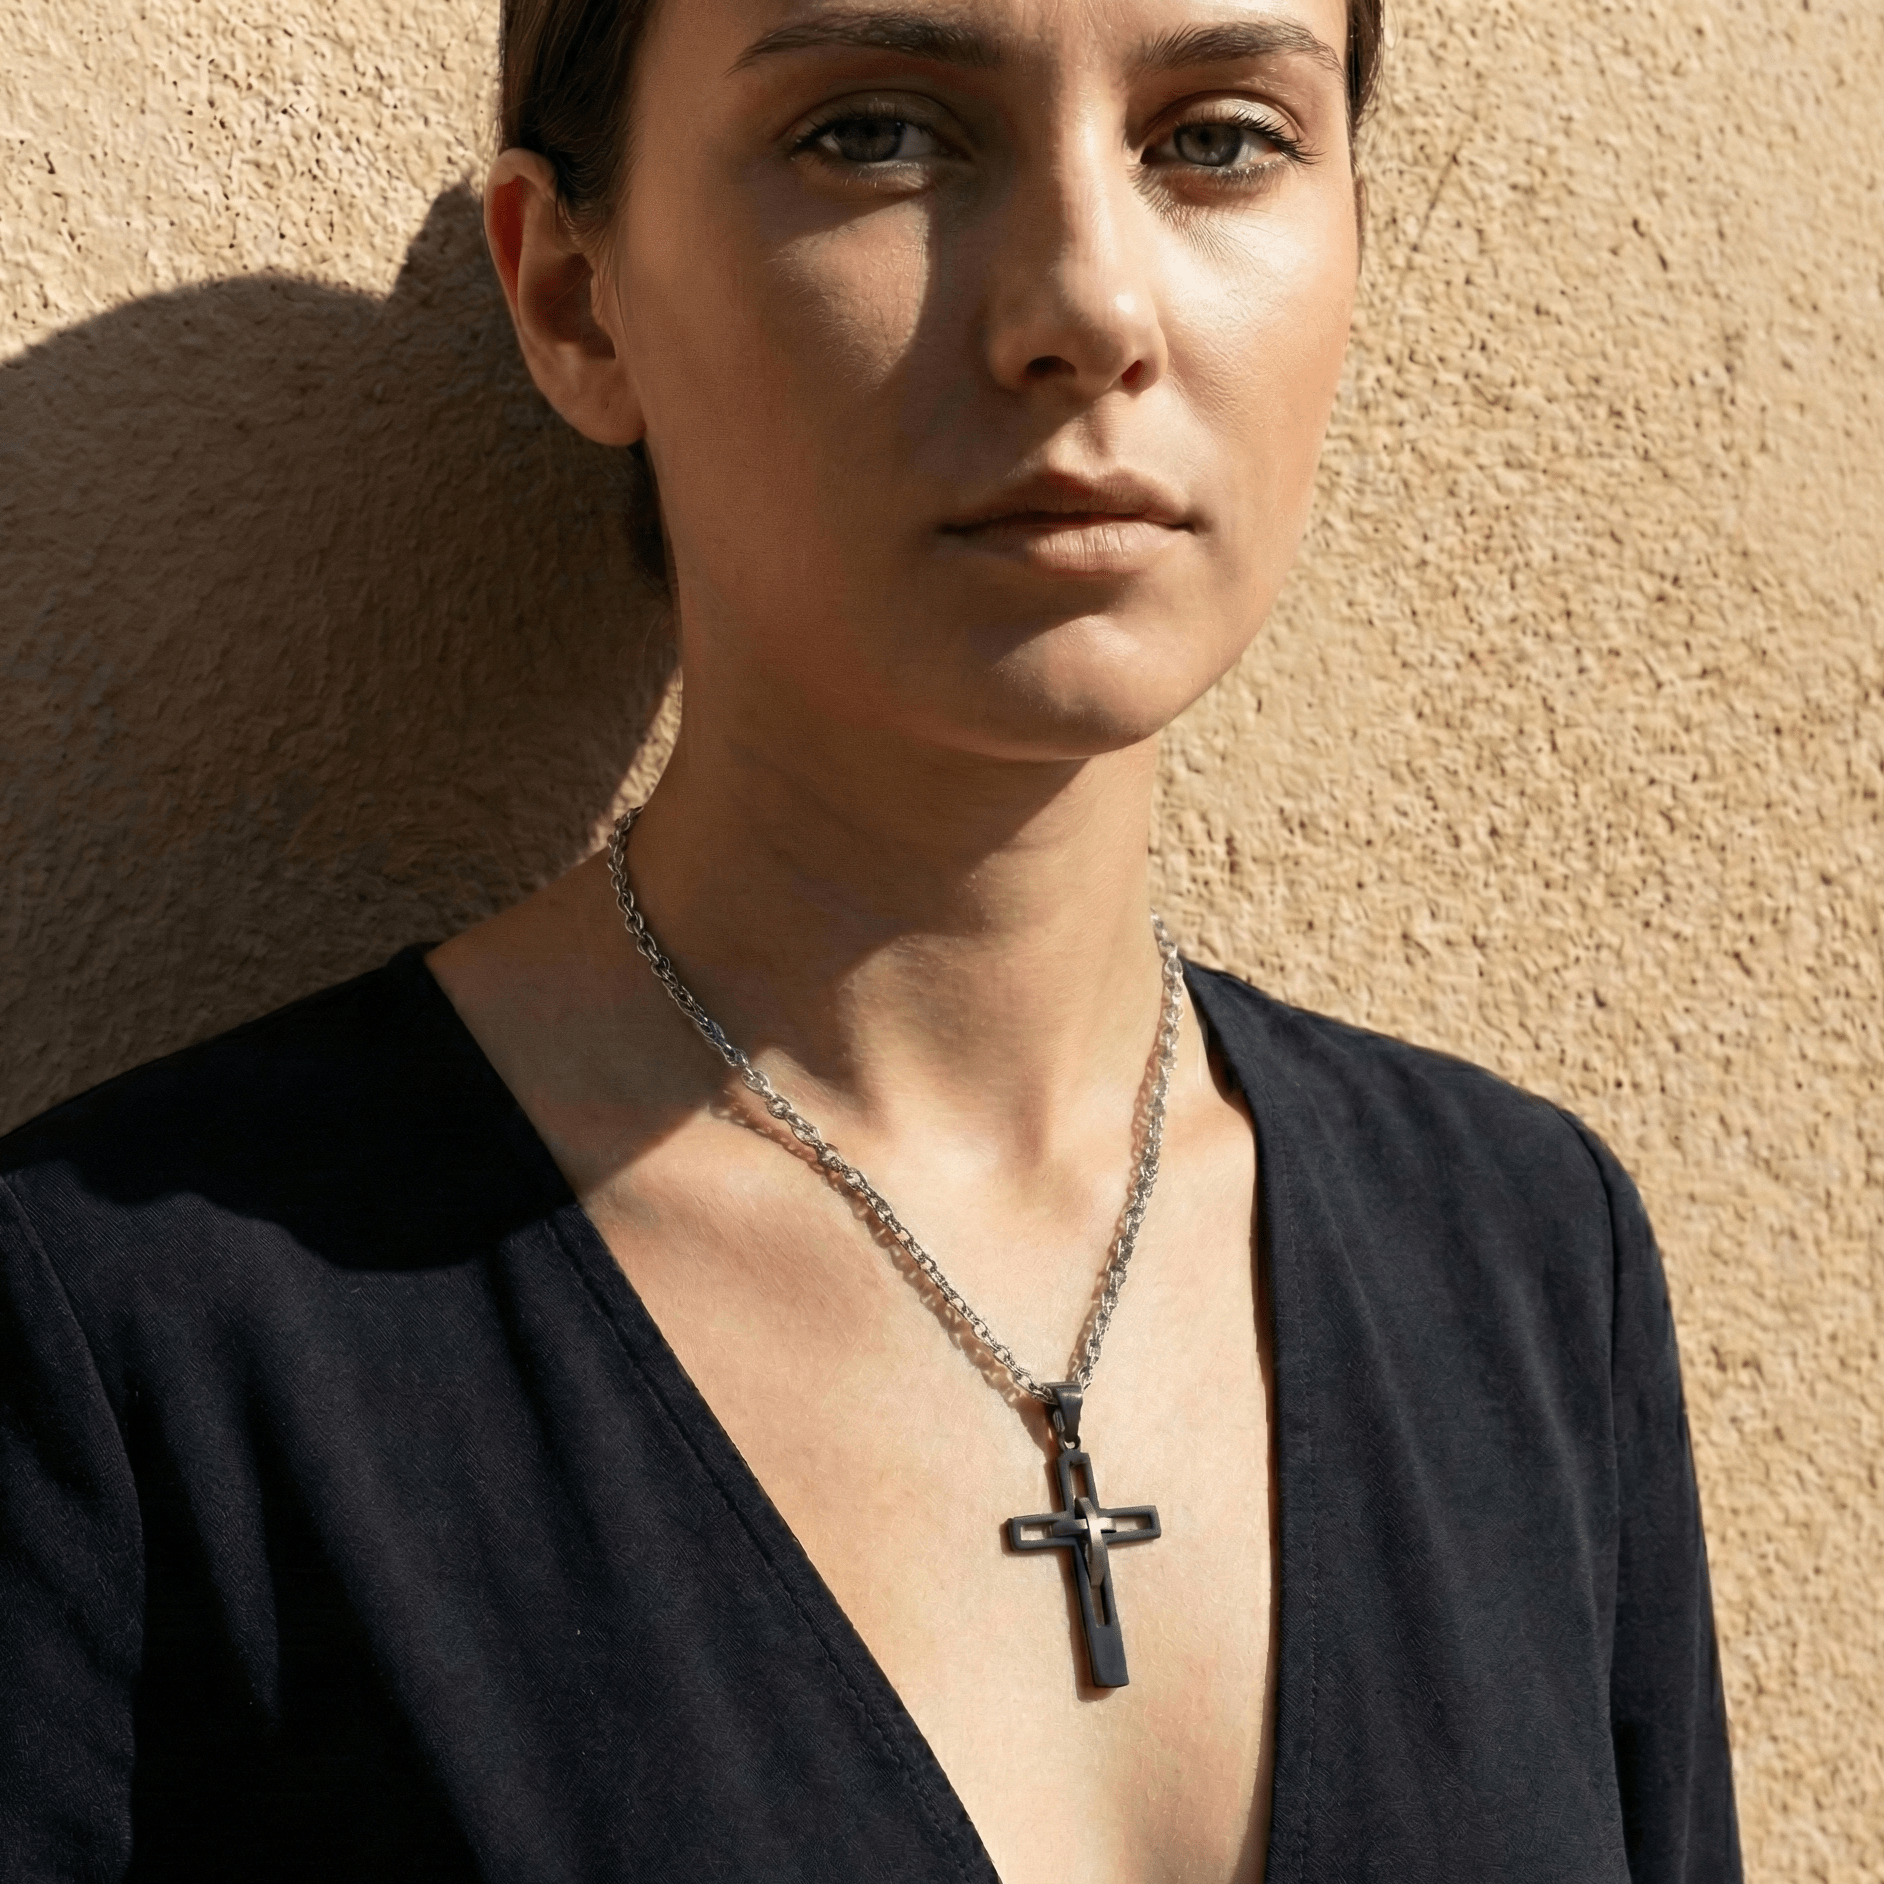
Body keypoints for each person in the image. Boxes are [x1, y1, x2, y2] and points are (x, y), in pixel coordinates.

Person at [0, 0, 1740, 1876]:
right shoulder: (133, 1345)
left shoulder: (1531, 1260)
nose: (1086, 303)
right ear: (578, 297)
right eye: (879, 135)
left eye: (1218, 138)